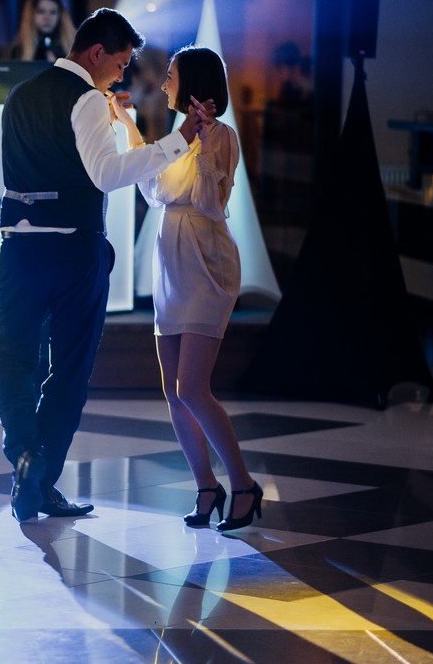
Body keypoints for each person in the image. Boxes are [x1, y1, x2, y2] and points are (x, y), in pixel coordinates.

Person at [0, 7, 207, 523]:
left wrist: (107, 118)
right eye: (121, 63)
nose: (122, 75)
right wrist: (177, 142)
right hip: (73, 250)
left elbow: (51, 154)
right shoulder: (86, 98)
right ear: (96, 53)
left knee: (10, 358)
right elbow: (106, 175)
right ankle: (41, 475)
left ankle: (25, 455)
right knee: (69, 369)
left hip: (18, 247)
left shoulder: (20, 94)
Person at [114, 45, 262, 532]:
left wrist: (201, 140)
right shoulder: (174, 135)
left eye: (172, 76)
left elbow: (209, 203)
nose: (164, 84)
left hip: (205, 263)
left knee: (193, 388)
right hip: (170, 263)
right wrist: (129, 124)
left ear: (193, 82)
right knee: (172, 391)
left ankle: (243, 484)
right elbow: (153, 188)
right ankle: (206, 486)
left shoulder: (223, 137)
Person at [9, 0, 77, 63]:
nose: (47, 17)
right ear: (31, 14)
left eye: (53, 12)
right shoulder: (20, 48)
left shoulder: (72, 48)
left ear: (60, 15)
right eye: (41, 11)